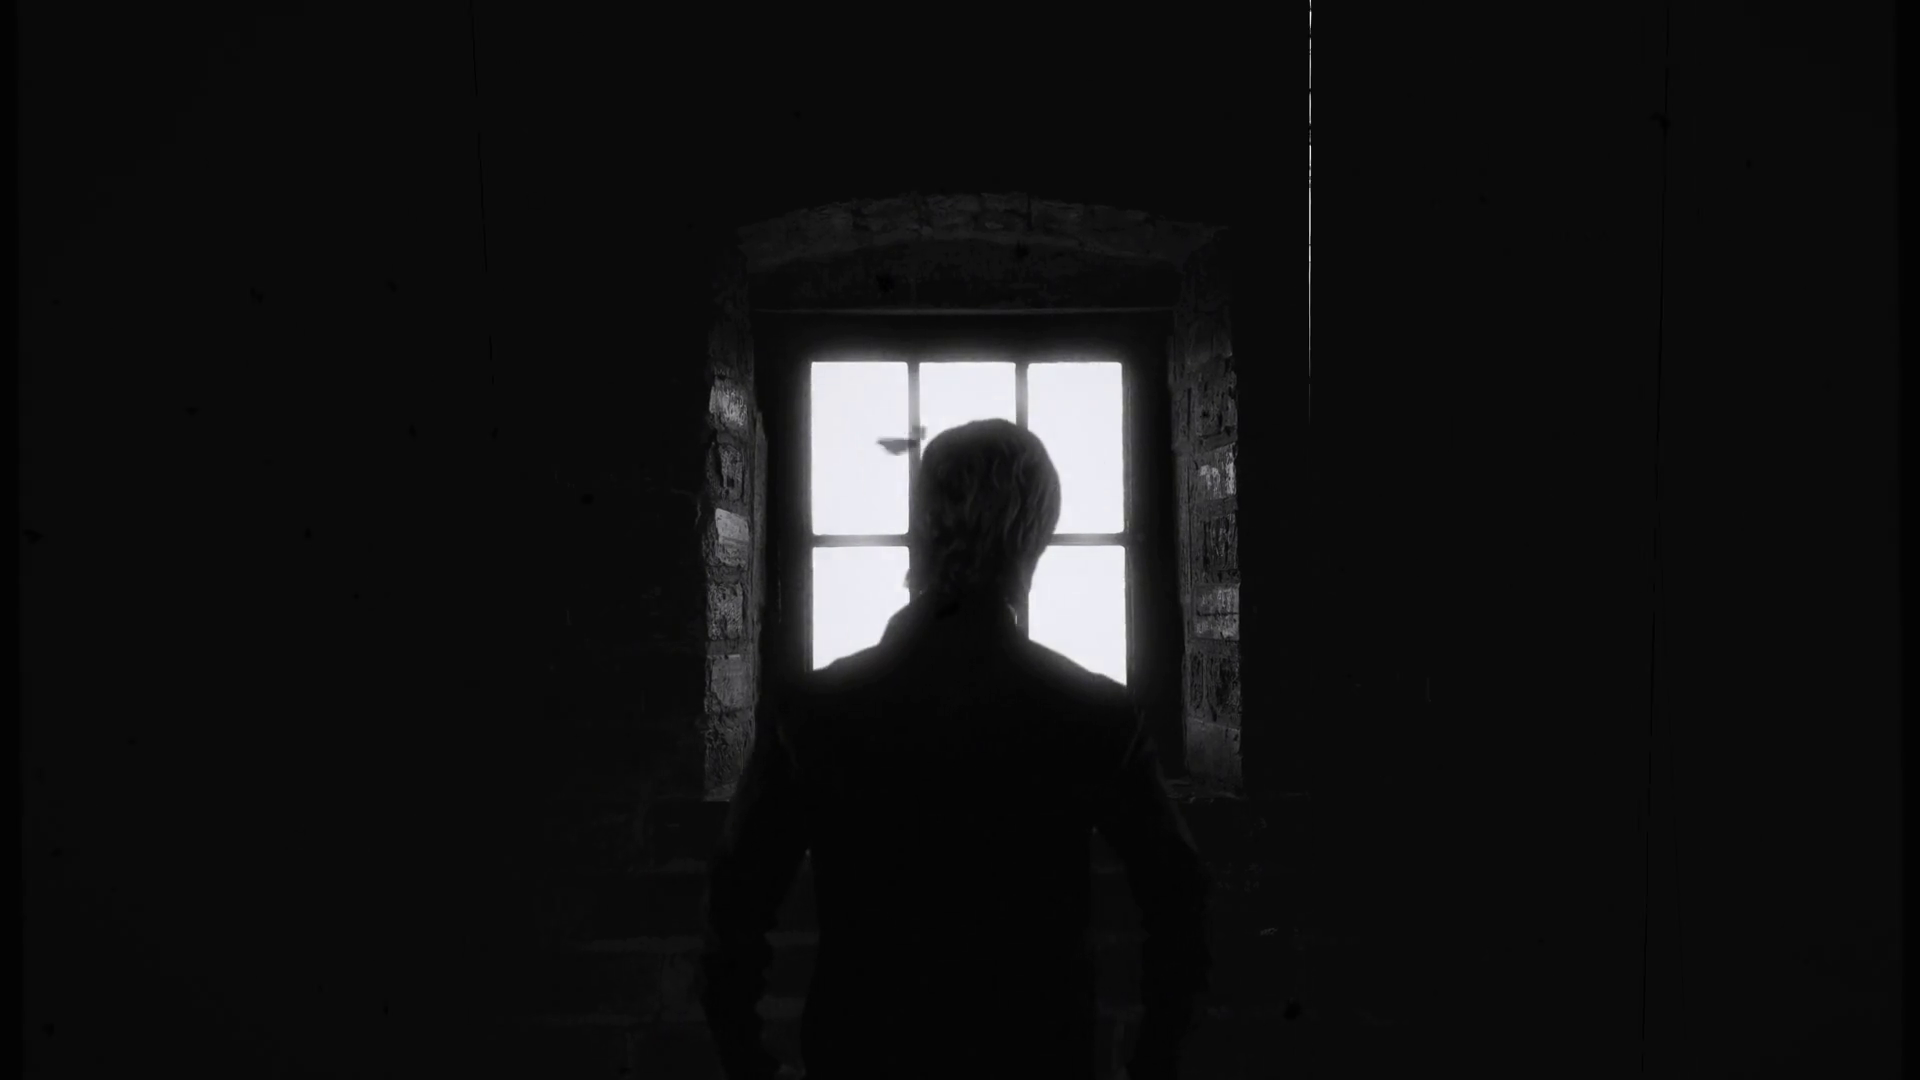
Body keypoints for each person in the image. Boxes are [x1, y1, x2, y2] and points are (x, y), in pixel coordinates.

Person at [700, 419, 1212, 1080]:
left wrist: (749, 1064)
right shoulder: (1090, 713)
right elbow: (1180, 901)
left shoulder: (815, 710)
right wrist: (1152, 1063)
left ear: (920, 527)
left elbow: (735, 904)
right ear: (1036, 540)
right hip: (1036, 1057)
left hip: (864, 1055)